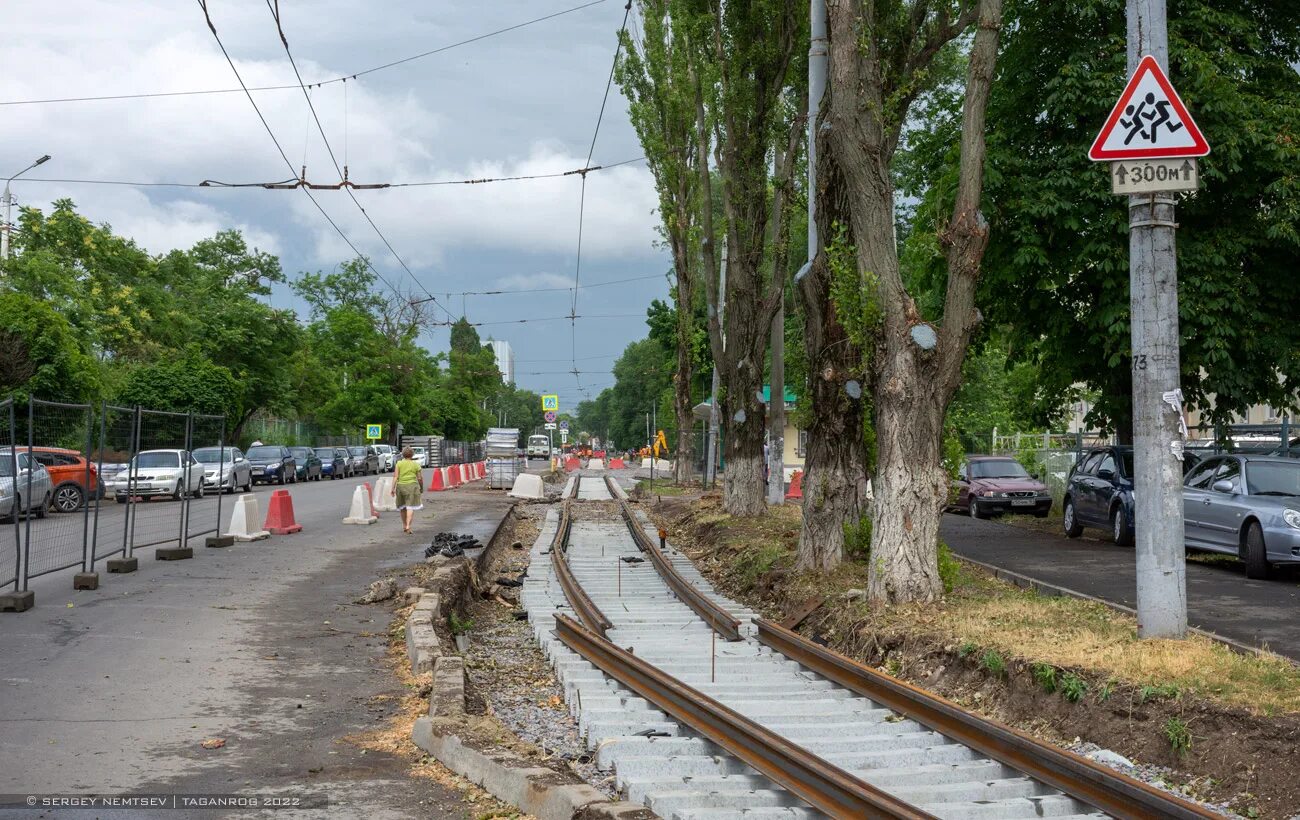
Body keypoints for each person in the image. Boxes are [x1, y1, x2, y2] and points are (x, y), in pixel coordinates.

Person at [391, 446, 425, 534]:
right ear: (412, 455)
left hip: (400, 486)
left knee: (402, 507)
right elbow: (420, 478)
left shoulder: (399, 464)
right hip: (412, 487)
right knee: (410, 507)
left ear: (403, 454)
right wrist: (421, 487)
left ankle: (404, 525)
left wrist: (392, 488)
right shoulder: (416, 465)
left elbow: (395, 477)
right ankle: (408, 526)